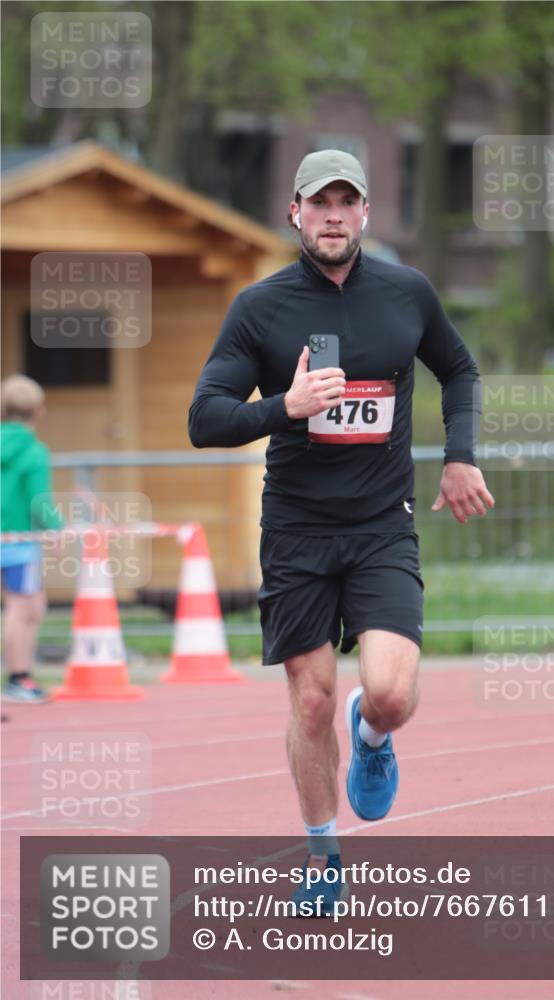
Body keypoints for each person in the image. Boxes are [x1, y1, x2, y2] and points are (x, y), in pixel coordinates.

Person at [189, 149, 494, 913]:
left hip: (380, 525)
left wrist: (459, 459)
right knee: (312, 699)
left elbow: (458, 372)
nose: (331, 215)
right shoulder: (259, 309)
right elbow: (204, 419)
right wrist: (281, 408)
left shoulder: (406, 292)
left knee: (387, 693)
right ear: (294, 213)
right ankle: (324, 860)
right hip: (295, 530)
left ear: (364, 214)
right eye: (316, 203)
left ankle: (374, 737)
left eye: (345, 202)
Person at [1, 375, 63, 703]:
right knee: (20, 609)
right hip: (19, 543)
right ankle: (17, 677)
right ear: (39, 411)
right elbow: (40, 501)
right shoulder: (34, 452)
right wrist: (56, 531)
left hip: (12, 537)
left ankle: (21, 674)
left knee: (33, 606)